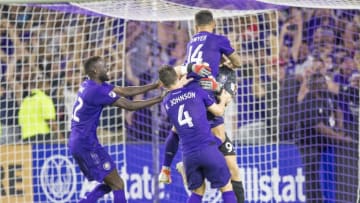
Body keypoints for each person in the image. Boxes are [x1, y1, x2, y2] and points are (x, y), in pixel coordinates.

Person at [158, 9, 244, 202]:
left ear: (196, 27)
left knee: (177, 129)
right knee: (220, 140)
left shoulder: (191, 43)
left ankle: (171, 166)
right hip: (204, 93)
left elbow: (183, 69)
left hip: (188, 90)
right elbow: (238, 63)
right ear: (213, 23)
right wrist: (230, 59)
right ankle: (200, 162)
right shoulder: (219, 40)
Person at [69, 56, 165, 203]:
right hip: (86, 144)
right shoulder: (97, 91)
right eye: (104, 66)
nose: (108, 68)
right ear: (95, 70)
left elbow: (124, 90)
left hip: (80, 142)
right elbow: (129, 105)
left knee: (110, 184)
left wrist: (153, 86)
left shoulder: (89, 84)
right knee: (118, 184)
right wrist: (158, 99)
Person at [159, 65, 236, 203]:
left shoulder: (167, 102)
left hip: (188, 155)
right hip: (208, 149)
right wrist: (223, 99)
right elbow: (218, 111)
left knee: (198, 192)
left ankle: (170, 167)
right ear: (178, 77)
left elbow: (176, 91)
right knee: (226, 187)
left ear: (163, 85)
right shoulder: (196, 91)